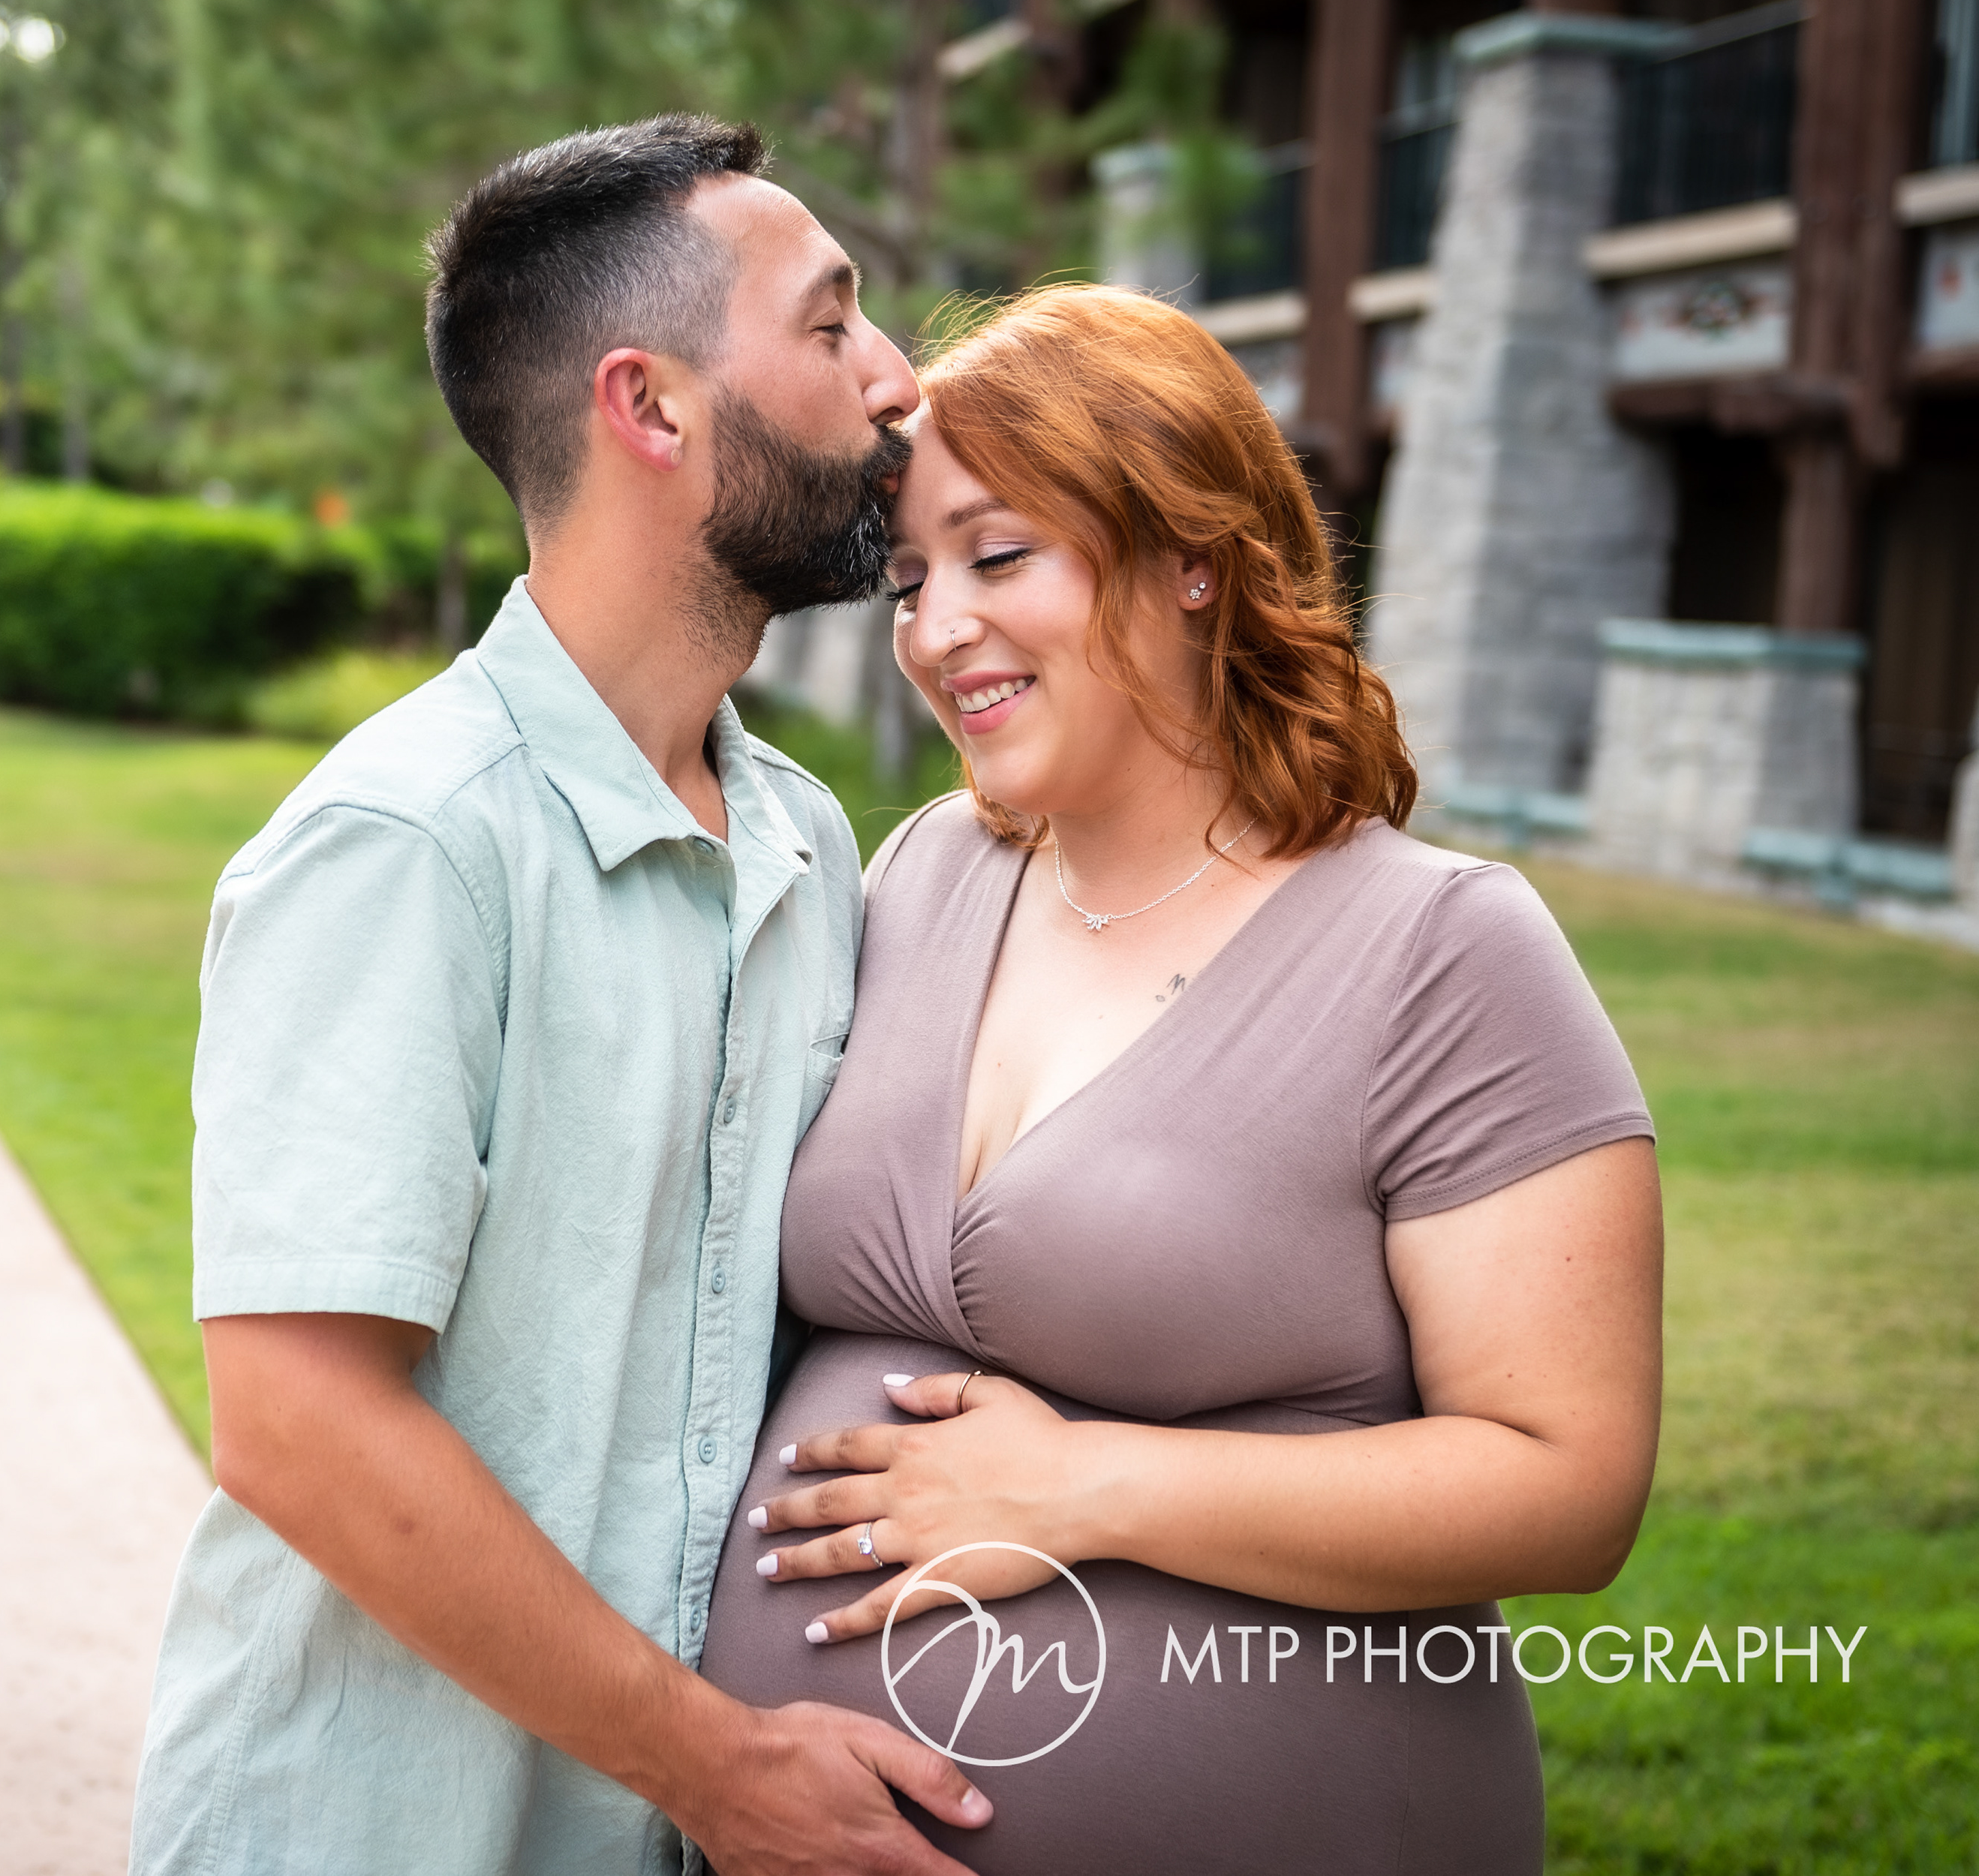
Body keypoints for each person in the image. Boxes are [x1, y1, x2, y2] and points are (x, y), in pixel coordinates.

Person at [696, 284, 1664, 1874]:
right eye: (911, 579)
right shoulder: (930, 871)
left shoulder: (1441, 947)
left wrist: (1084, 1486)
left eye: (1001, 557)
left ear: (1192, 557)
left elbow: (1570, 1487)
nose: (938, 631)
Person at [130, 115, 997, 1875]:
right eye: (832, 326)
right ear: (654, 407)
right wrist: (721, 1767)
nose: (898, 378)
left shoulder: (813, 841)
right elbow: (298, 1428)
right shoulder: (407, 844)